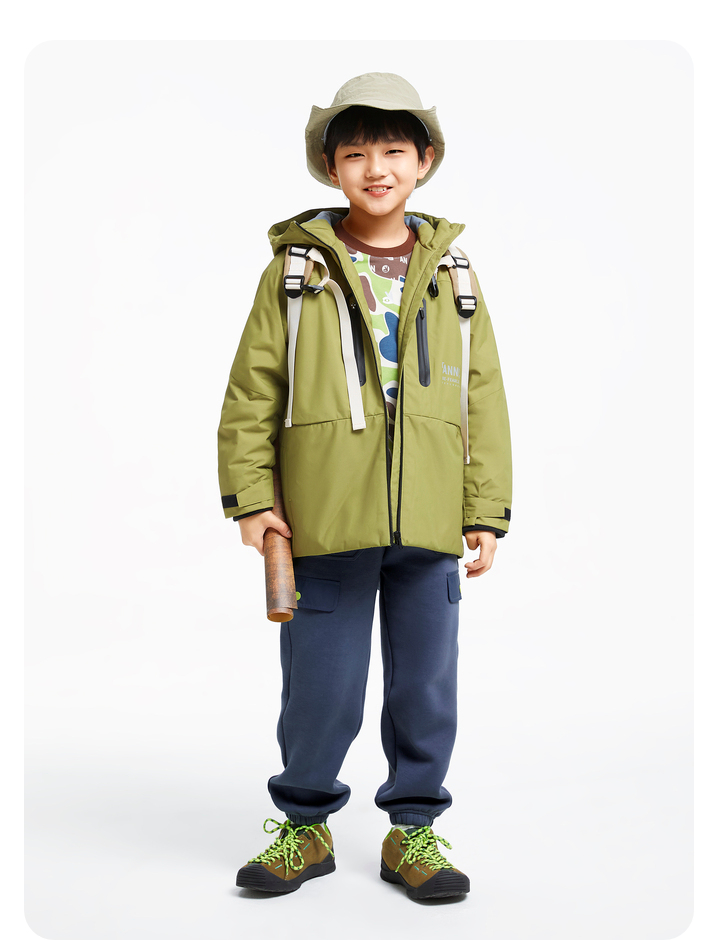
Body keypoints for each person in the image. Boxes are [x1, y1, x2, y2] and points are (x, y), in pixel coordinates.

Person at [217, 72, 512, 900]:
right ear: (330, 166)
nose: (375, 168)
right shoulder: (295, 271)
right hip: (324, 517)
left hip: (430, 518)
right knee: (322, 688)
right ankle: (305, 828)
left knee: (425, 690)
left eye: (392, 151)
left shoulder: (454, 273)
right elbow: (252, 391)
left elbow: (481, 394)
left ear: (424, 160)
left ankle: (412, 832)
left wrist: (485, 507)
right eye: (355, 154)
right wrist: (252, 498)